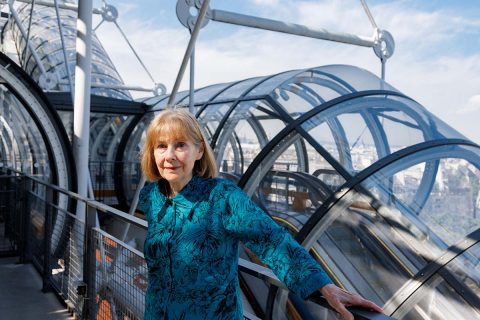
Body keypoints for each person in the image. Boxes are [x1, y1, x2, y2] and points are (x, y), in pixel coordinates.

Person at [139, 108, 383, 320]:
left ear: (199, 151)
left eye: (180, 145)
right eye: (161, 146)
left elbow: (271, 239)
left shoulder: (221, 198)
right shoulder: (152, 196)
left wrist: (323, 285)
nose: (169, 155)